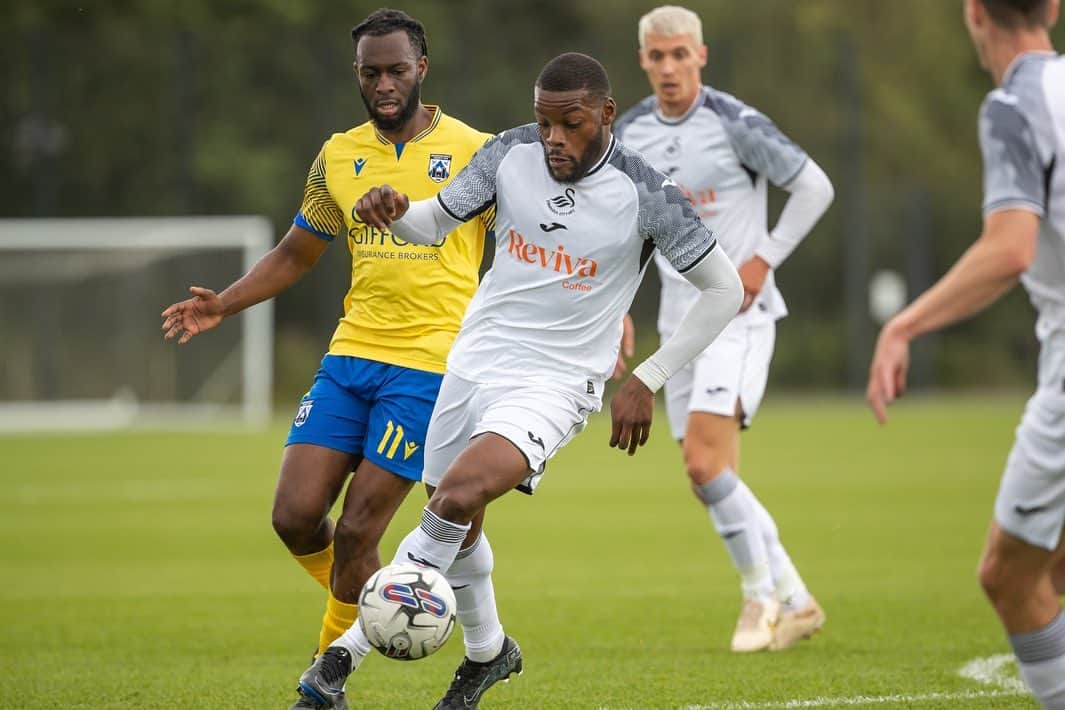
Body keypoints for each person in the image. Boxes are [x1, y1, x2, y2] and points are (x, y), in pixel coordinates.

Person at [291, 51, 744, 709]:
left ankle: (336, 662)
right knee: (460, 517)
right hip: (471, 363)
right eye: (543, 123)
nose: (554, 139)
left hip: (556, 383)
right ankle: (487, 654)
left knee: (453, 497)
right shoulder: (509, 154)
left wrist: (647, 377)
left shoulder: (647, 193)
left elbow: (722, 290)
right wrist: (397, 209)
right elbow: (435, 222)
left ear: (606, 116)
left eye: (571, 124)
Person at [159, 9, 493, 709]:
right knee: (294, 516)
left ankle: (324, 680)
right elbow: (295, 252)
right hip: (350, 357)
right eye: (369, 73)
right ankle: (384, 602)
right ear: (358, 75)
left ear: (421, 68)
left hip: (430, 366)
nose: (383, 84)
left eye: (395, 69)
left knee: (362, 530)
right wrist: (223, 302)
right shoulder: (336, 155)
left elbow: (529, 242)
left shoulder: (476, 151)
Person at [613, 5, 835, 653]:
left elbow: (814, 186)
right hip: (677, 323)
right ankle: (798, 601)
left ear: (700, 56)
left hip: (737, 318)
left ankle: (758, 597)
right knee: (707, 475)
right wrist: (616, 306)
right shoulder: (629, 135)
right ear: (642, 62)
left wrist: (763, 259)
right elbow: (624, 229)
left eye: (680, 54)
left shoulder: (734, 122)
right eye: (657, 57)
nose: (669, 68)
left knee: (705, 464)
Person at [867, 0, 1064, 706]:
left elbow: (1008, 248)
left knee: (1008, 577)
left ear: (971, 12)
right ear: (1052, 8)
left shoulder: (1012, 104)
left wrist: (903, 327)